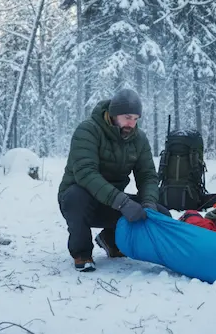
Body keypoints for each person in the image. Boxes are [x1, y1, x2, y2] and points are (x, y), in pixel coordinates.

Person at [58, 88, 170, 272]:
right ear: (113, 114)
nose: (131, 123)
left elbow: (148, 175)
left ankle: (111, 240)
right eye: (127, 117)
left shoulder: (138, 139)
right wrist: (123, 202)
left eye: (135, 119)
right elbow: (86, 173)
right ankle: (82, 253)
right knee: (75, 196)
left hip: (113, 202)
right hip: (79, 200)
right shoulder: (88, 130)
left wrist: (149, 203)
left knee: (161, 213)